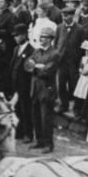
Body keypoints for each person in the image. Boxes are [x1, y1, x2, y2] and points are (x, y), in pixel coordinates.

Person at [26, 25, 59, 153]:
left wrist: (36, 67)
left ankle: (48, 144)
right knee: (36, 117)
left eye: (44, 37)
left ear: (50, 39)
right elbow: (27, 65)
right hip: (35, 88)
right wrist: (38, 66)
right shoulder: (37, 51)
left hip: (46, 90)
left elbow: (48, 72)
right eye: (41, 36)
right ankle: (39, 141)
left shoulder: (54, 53)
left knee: (46, 118)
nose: (41, 39)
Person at [8, 24, 35, 144]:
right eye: (14, 36)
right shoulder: (15, 49)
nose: (15, 38)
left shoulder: (31, 51)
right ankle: (19, 131)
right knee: (17, 109)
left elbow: (29, 71)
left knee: (26, 110)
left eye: (17, 35)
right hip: (15, 84)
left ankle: (28, 134)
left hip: (25, 85)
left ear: (24, 35)